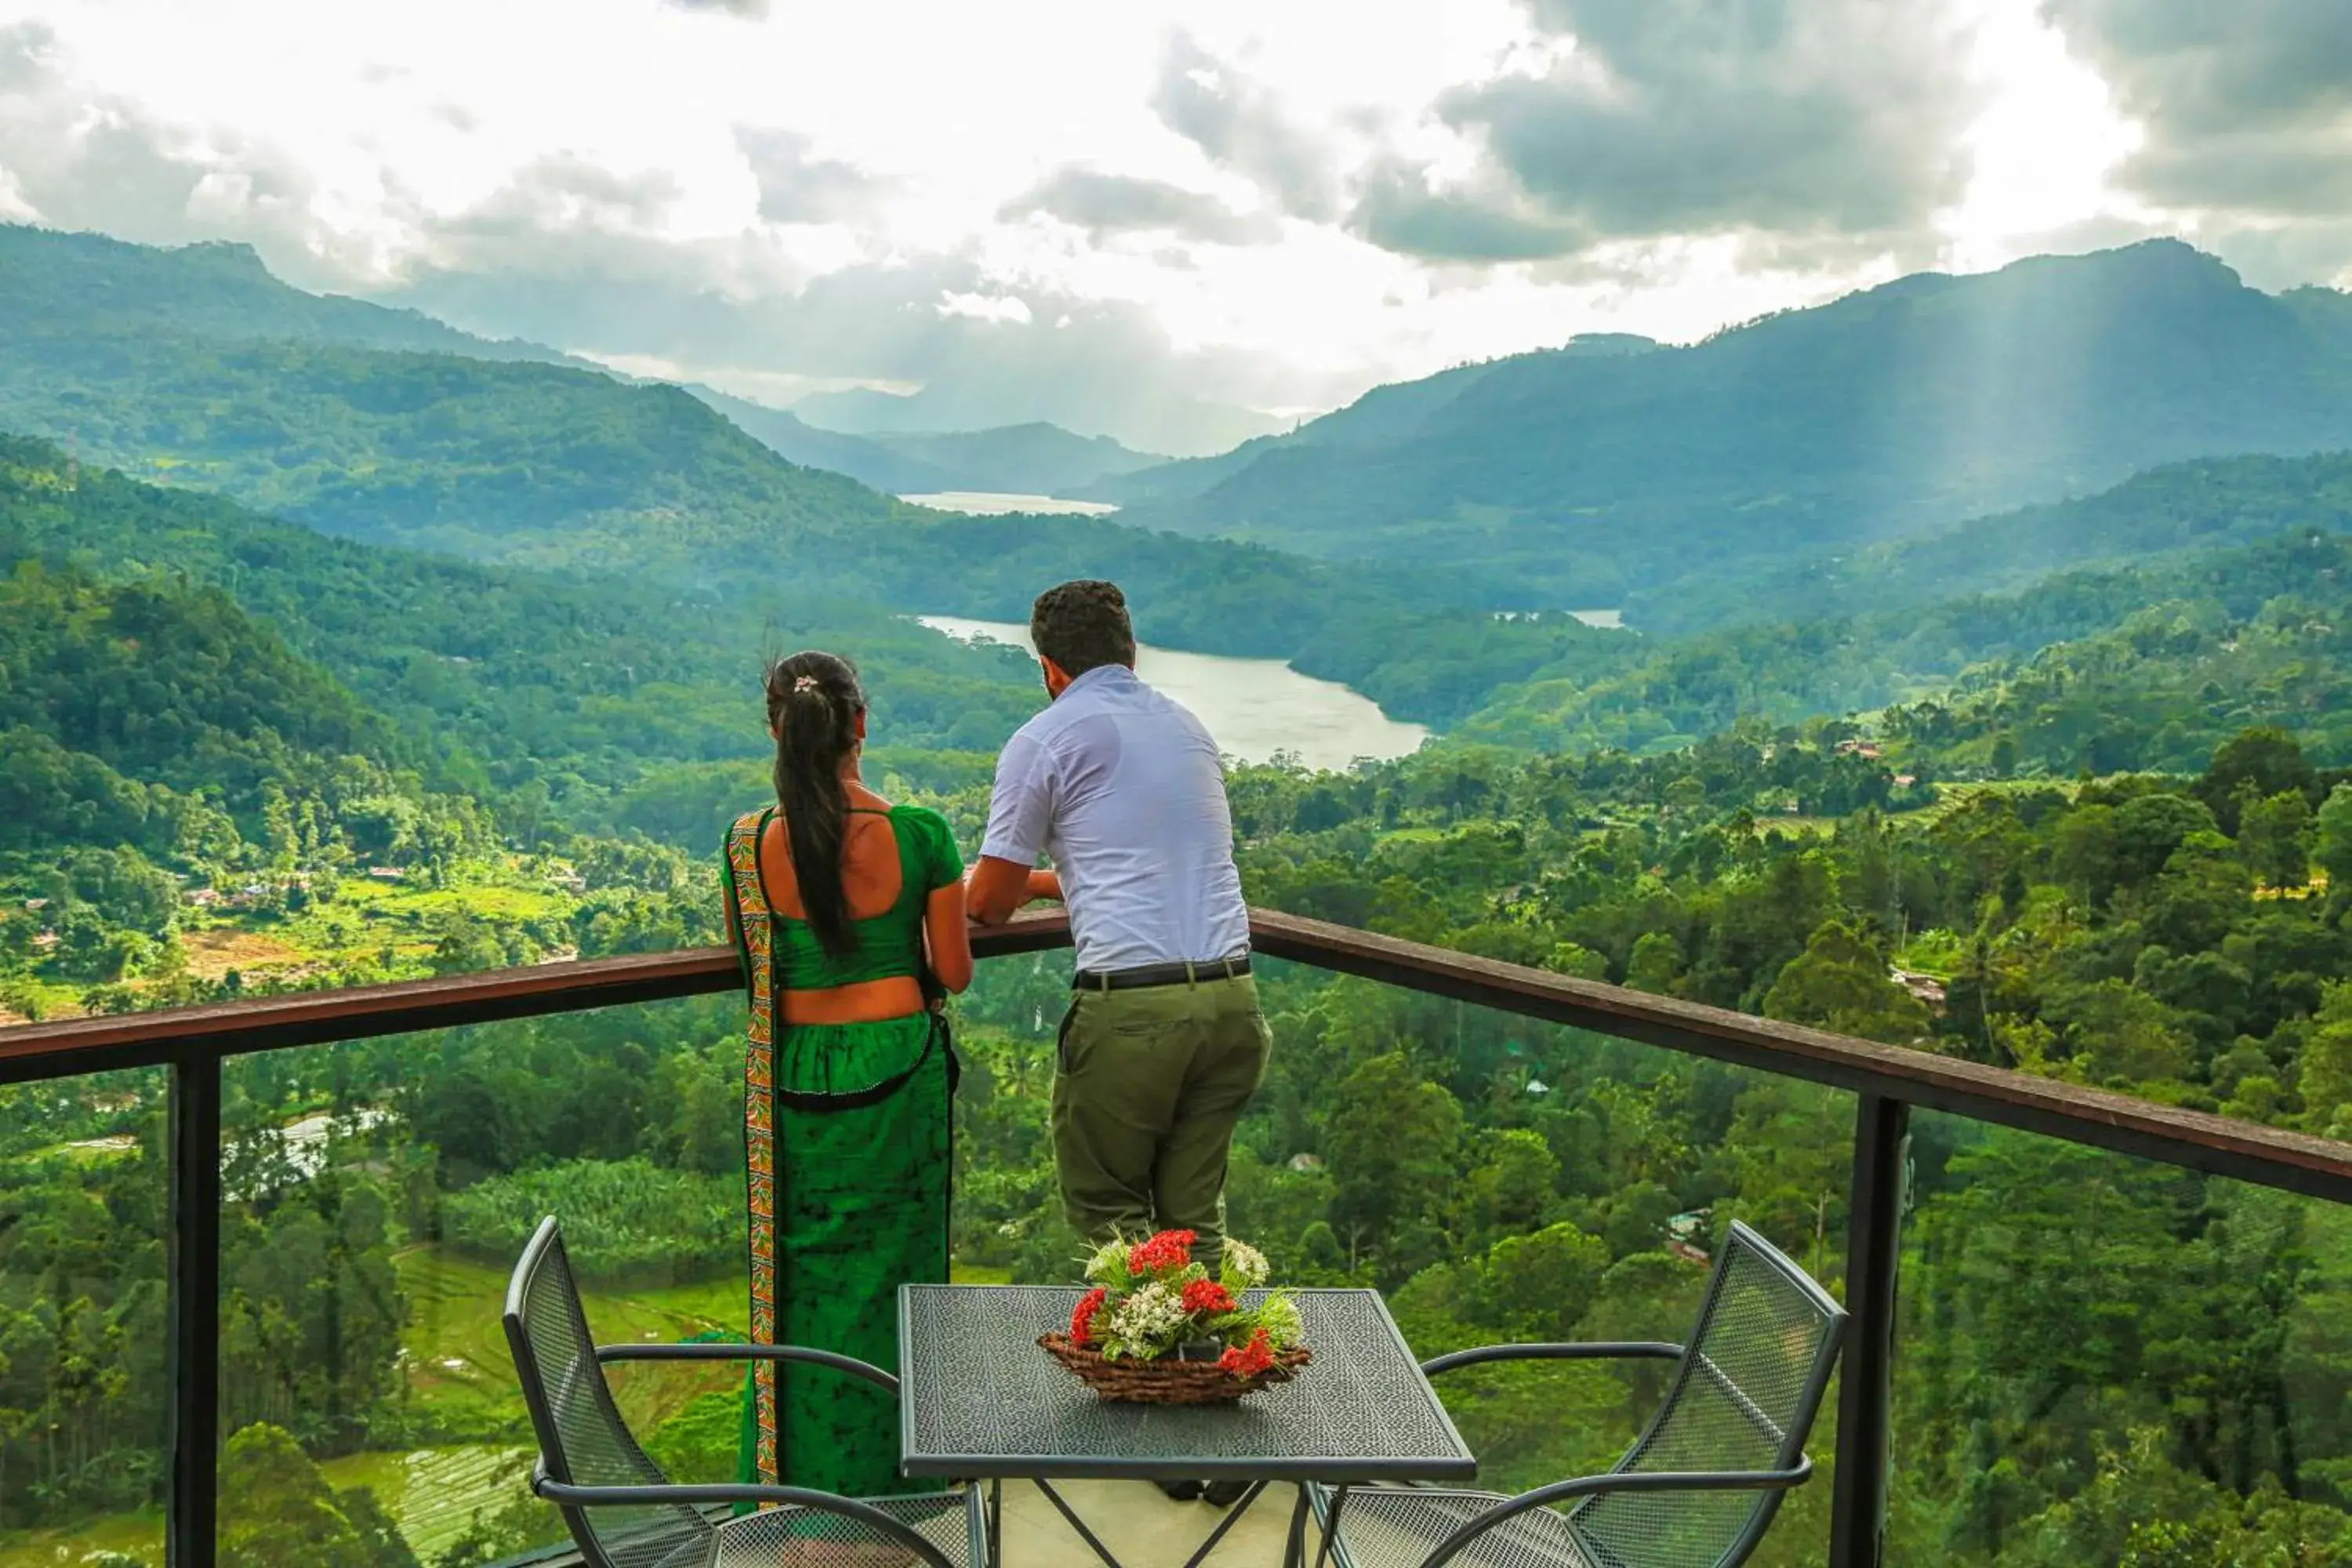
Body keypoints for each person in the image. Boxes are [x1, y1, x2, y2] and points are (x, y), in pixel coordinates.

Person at [966, 581, 1270, 1504]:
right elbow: (1151, 855)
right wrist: (1079, 878)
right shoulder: (1186, 727)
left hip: (1133, 1009)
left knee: (1108, 1205)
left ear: (1050, 666)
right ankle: (1219, 1413)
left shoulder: (1047, 736)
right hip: (1233, 999)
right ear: (1131, 653)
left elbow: (984, 899)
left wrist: (1046, 884)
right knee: (1192, 1214)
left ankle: (1170, 1433)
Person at [720, 651, 972, 1497]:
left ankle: (800, 1501)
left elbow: (755, 966)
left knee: (800, 1284)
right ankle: (904, 1497)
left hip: (794, 1075)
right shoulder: (920, 833)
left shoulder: (750, 843)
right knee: (901, 1282)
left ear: (776, 731)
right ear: (861, 725)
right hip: (900, 1066)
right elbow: (956, 970)